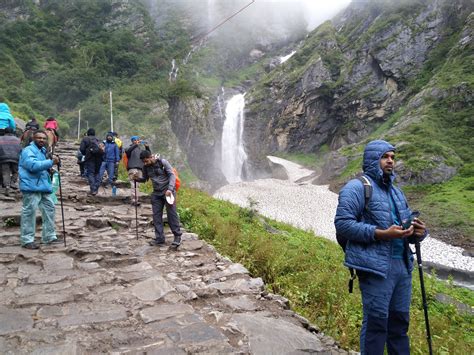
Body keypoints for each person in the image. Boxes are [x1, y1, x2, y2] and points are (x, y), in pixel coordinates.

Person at [334, 140, 428, 355]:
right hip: (375, 269)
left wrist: (419, 234)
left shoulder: (397, 193)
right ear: (372, 159)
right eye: (385, 156)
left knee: (399, 326)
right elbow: (343, 224)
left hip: (402, 267)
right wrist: (382, 234)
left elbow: (406, 227)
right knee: (376, 325)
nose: (390, 161)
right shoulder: (357, 188)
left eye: (393, 157)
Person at [19, 130, 60, 249]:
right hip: (31, 186)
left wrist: (49, 169)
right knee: (29, 212)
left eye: (44, 138)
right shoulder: (28, 151)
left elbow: (41, 165)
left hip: (42, 185)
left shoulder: (42, 151)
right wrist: (51, 162)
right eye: (39, 138)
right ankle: (27, 240)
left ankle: (49, 236)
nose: (42, 140)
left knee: (50, 209)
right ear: (33, 139)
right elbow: (32, 166)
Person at [135, 150, 182, 247]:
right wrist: (137, 178)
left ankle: (177, 236)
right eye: (144, 162)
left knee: (171, 214)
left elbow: (172, 175)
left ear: (151, 157)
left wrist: (170, 189)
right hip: (156, 193)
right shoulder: (145, 167)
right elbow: (145, 179)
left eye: (146, 161)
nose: (145, 163)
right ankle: (159, 238)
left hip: (168, 192)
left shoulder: (163, 162)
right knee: (156, 216)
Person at [125, 136, 149, 205]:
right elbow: (127, 152)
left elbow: (148, 155)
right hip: (132, 168)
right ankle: (134, 200)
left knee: (137, 185)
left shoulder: (140, 150)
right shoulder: (129, 148)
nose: (137, 141)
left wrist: (147, 147)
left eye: (138, 140)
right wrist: (136, 145)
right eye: (135, 140)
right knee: (133, 184)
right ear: (132, 141)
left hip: (140, 169)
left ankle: (136, 199)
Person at [79, 128, 104, 195]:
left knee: (90, 173)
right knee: (97, 172)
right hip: (99, 158)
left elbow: (82, 149)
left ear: (88, 133)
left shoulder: (85, 139)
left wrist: (86, 153)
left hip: (90, 158)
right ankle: (96, 187)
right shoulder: (98, 140)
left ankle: (93, 189)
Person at [0, 127, 21, 195]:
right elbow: (21, 149)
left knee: (5, 172)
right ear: (13, 132)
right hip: (15, 158)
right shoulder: (18, 140)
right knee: (15, 172)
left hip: (3, 158)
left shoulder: (0, 138)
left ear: (5, 132)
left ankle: (7, 186)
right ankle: (12, 182)